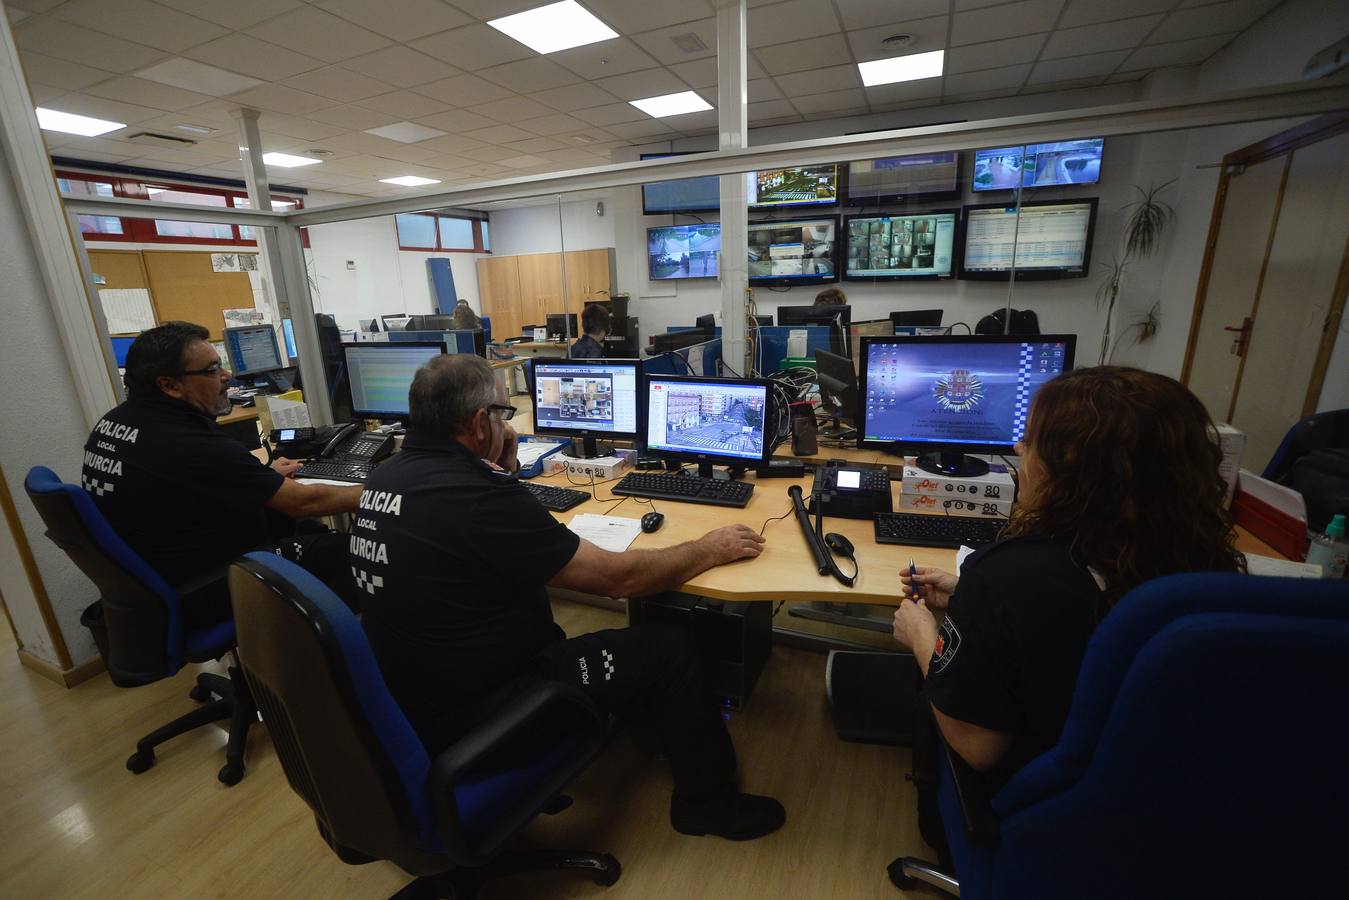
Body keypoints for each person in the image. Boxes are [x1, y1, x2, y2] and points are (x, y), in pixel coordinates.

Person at [352, 354, 785, 841]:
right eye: (503, 415)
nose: (509, 424)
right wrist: (707, 547)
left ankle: (653, 727)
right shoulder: (477, 499)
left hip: (411, 704)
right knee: (669, 649)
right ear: (478, 423)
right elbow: (619, 579)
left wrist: (503, 464)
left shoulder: (386, 476)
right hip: (492, 715)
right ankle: (706, 806)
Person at [890, 368, 1243, 816]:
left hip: (1035, 810)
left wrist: (921, 634)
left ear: (1073, 472)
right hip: (1172, 802)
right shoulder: (1205, 568)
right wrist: (973, 602)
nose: (1018, 450)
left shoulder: (1006, 574)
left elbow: (978, 745)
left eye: (1032, 441)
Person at [82, 322, 363, 624]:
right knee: (358, 552)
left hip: (160, 579)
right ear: (169, 385)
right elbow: (303, 503)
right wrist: (384, 493)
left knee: (309, 532)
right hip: (209, 583)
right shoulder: (186, 442)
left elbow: (183, 483)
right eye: (213, 369)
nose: (227, 377)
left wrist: (260, 476)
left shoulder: (115, 422)